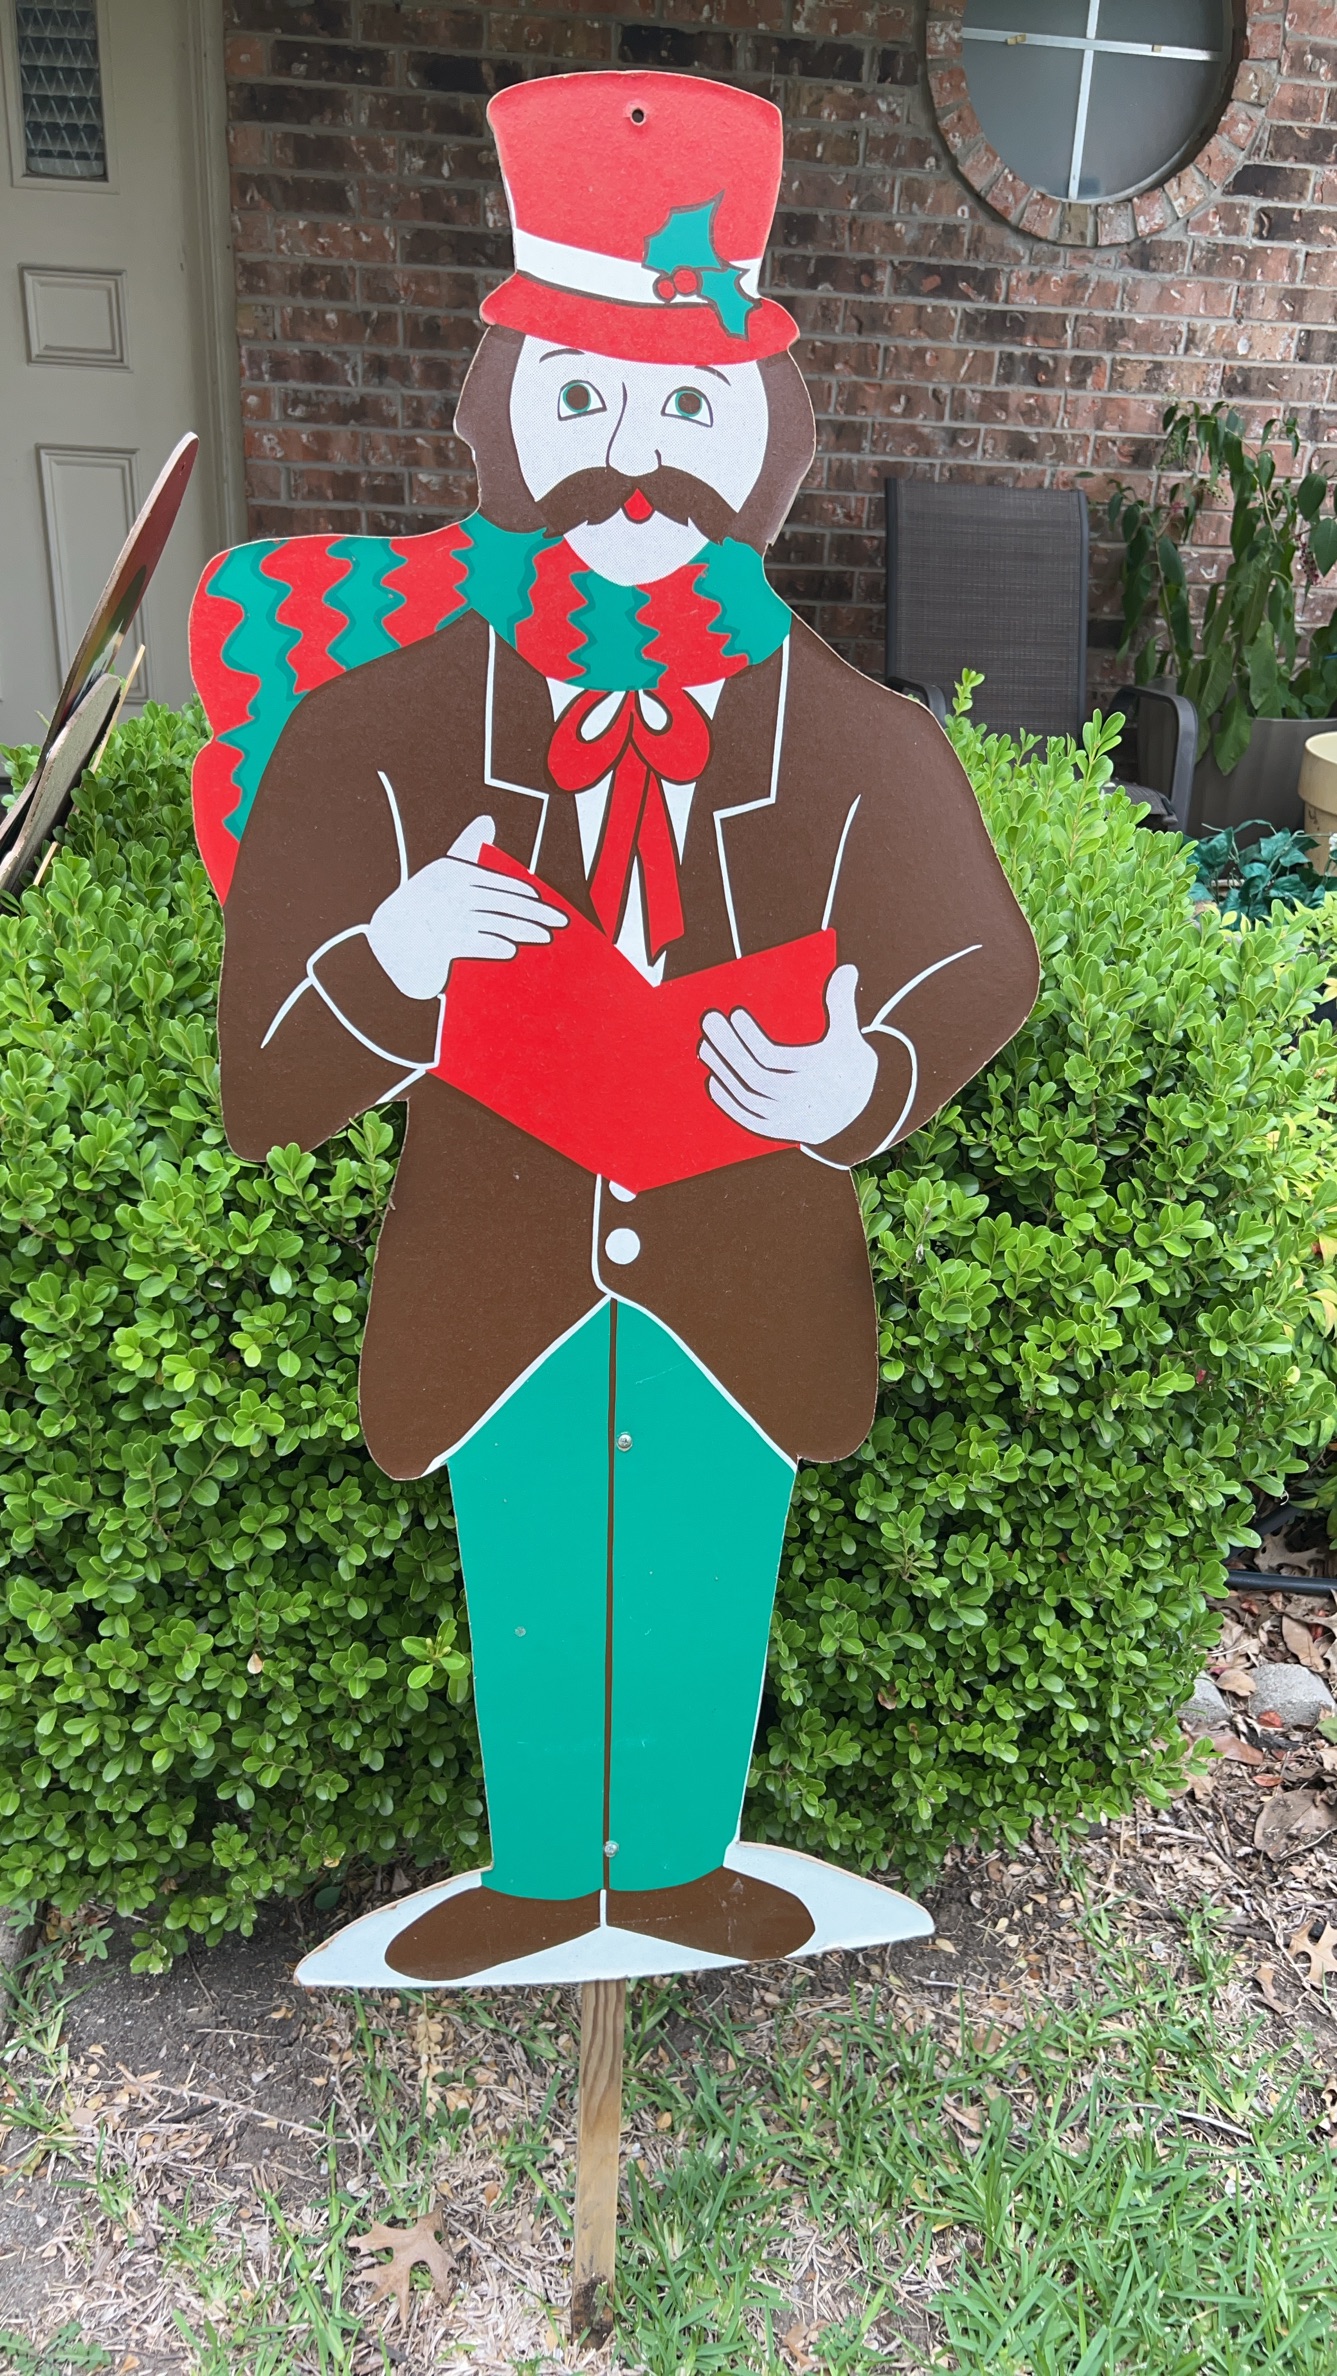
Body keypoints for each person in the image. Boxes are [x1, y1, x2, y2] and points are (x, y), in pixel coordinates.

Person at [200, 69, 1039, 1981]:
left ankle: (667, 1869)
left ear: (762, 439)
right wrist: (396, 955)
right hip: (496, 1263)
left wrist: (859, 1075)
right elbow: (268, 1077)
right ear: (502, 419)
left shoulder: (848, 734)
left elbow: (976, 960)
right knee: (528, 1555)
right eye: (584, 407)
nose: (635, 465)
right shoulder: (380, 733)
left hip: (744, 1259)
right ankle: (533, 1875)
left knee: (703, 1557)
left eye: (685, 411)